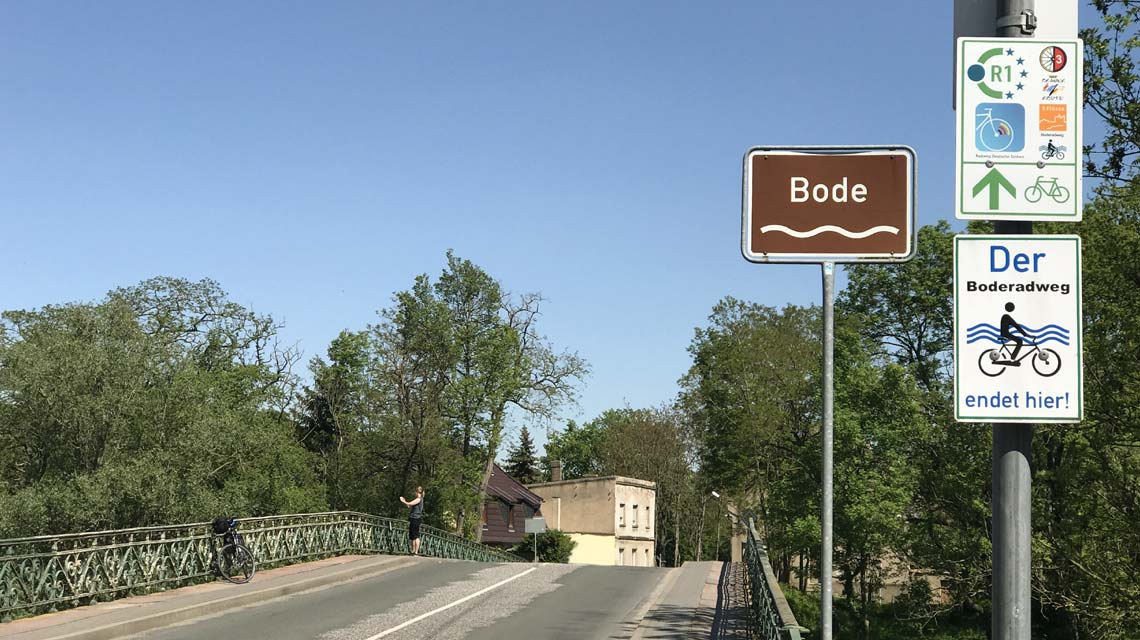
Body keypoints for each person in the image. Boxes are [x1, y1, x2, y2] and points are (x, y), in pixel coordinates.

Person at [400, 486, 424, 556]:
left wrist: (403, 501)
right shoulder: (417, 499)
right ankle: (412, 550)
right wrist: (404, 501)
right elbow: (409, 505)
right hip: (413, 518)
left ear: (417, 492)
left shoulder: (419, 499)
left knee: (415, 535)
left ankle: (416, 551)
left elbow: (410, 503)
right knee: (412, 535)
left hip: (416, 518)